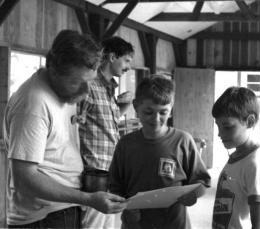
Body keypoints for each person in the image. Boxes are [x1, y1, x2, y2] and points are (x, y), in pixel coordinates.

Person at [2, 30, 126, 228]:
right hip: (43, 217)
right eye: (78, 82)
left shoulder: (63, 91)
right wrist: (87, 199)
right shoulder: (33, 104)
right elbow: (24, 179)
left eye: (90, 82)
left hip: (61, 209)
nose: (86, 92)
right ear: (52, 68)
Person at [109, 75, 211, 229]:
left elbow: (202, 182)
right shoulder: (125, 144)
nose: (156, 119)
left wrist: (194, 195)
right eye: (148, 112)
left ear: (172, 109)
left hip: (174, 224)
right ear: (136, 107)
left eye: (163, 112)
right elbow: (115, 186)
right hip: (135, 225)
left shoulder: (183, 141)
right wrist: (124, 206)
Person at [78, 36, 134, 228]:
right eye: (126, 60)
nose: (128, 67)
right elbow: (75, 125)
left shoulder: (109, 89)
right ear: (112, 57)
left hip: (110, 170)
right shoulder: (89, 86)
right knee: (93, 225)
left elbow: (104, 124)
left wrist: (123, 106)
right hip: (93, 173)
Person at [211, 87, 260, 229]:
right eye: (218, 126)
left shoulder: (256, 163)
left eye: (227, 127)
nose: (220, 134)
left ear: (250, 122)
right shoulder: (238, 156)